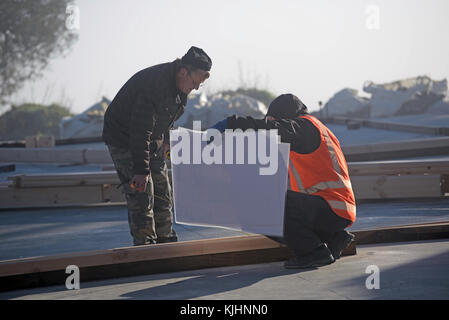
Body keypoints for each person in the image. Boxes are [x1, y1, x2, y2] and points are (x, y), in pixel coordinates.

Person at [211, 93, 356, 268]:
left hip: (330, 207)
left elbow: (269, 129)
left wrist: (231, 124)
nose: (272, 123)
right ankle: (334, 238)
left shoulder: (303, 127)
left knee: (260, 206)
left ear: (284, 117)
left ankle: (313, 252)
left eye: (273, 120)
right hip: (333, 209)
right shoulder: (312, 130)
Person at [102, 46, 212, 246]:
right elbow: (140, 130)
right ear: (182, 71)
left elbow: (166, 118)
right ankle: (145, 247)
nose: (196, 88)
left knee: (162, 191)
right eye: (195, 82)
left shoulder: (181, 88)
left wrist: (167, 141)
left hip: (150, 138)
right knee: (142, 195)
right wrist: (141, 170)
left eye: (200, 85)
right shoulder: (154, 86)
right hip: (124, 138)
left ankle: (165, 242)